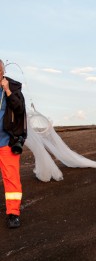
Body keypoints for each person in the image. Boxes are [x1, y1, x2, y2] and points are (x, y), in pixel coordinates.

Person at [0, 59, 27, 228]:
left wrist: (7, 91)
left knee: (11, 179)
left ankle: (13, 214)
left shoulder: (13, 88)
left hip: (6, 142)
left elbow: (19, 109)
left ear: (2, 71)